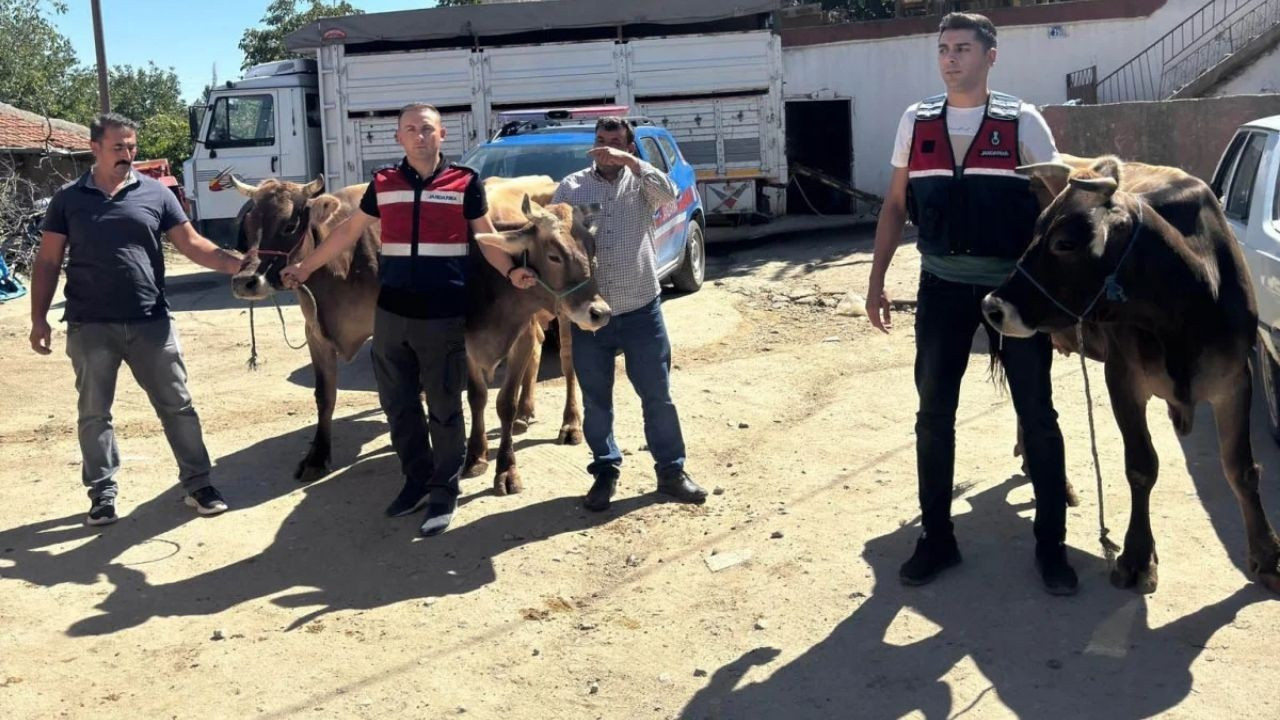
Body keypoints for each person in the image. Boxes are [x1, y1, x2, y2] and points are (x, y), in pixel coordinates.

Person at [864, 13, 1077, 594]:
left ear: (990, 56)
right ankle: (937, 539)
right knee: (933, 416)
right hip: (941, 288)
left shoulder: (1022, 121)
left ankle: (1051, 548)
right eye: (943, 49)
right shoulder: (917, 121)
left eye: (962, 48)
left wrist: (1058, 304)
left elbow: (1060, 212)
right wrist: (876, 277)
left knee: (1038, 414)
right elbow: (894, 206)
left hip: (1014, 292)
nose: (950, 58)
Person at [281, 103, 537, 536]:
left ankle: (444, 488)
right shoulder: (384, 182)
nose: (419, 136)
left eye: (427, 129)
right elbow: (347, 231)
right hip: (392, 312)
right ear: (399, 137)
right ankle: (416, 479)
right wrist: (305, 268)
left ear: (442, 136)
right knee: (398, 405)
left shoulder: (465, 182)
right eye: (410, 129)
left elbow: (485, 235)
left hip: (442, 310)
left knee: (443, 406)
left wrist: (511, 271)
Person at [29, 113, 245, 526]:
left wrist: (244, 267)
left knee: (178, 406)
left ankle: (198, 484)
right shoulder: (68, 199)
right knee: (94, 414)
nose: (128, 155)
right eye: (118, 148)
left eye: (132, 147)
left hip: (151, 322)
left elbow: (194, 245)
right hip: (90, 325)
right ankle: (103, 493)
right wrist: (39, 319)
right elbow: (48, 261)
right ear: (95, 148)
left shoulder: (156, 194)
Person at [551, 117, 706, 512]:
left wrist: (633, 163)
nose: (605, 148)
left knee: (658, 396)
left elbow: (670, 194)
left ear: (629, 146)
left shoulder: (641, 183)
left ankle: (671, 471)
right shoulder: (572, 188)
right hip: (592, 317)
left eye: (615, 142)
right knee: (596, 401)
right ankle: (605, 470)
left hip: (641, 309)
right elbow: (551, 240)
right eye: (600, 141)